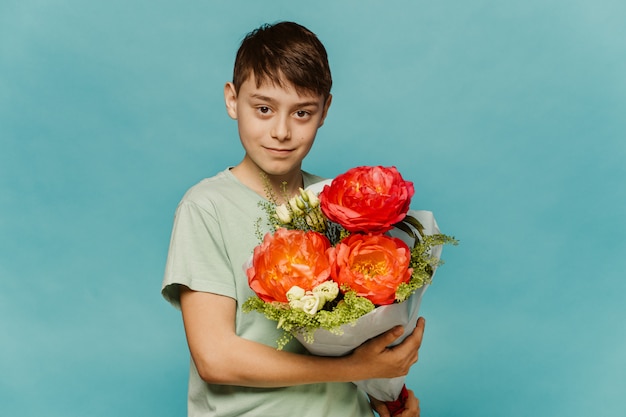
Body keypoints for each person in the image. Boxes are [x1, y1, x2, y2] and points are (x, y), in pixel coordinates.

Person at [161, 21, 426, 417]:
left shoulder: (341, 202)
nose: (281, 131)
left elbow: (358, 329)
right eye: (263, 109)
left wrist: (383, 391)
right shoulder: (206, 207)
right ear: (232, 100)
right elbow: (215, 357)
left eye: (302, 112)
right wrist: (354, 368)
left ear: (325, 111)